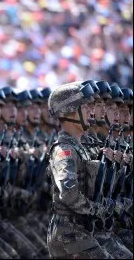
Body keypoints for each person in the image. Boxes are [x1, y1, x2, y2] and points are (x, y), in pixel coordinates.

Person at [47, 81, 117, 259]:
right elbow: (69, 193)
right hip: (68, 232)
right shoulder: (64, 151)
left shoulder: (80, 147)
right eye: (85, 108)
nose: (91, 112)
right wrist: (96, 209)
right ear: (69, 111)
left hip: (81, 227)